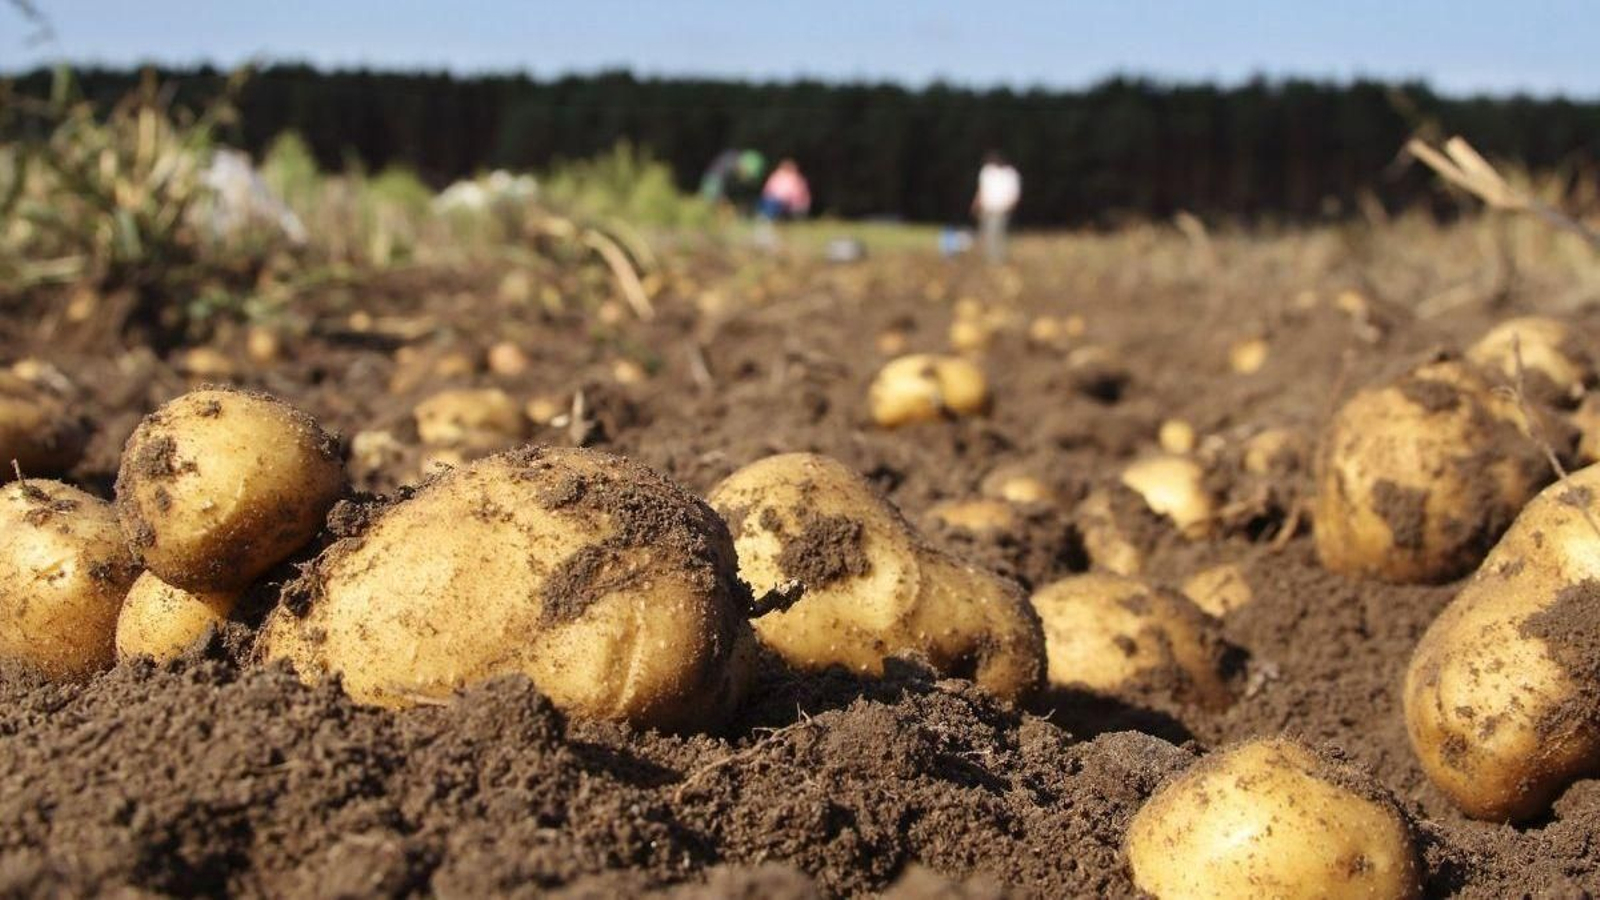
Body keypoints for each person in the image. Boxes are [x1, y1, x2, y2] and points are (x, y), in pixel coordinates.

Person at [972, 151, 1021, 263]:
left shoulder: (1010, 174)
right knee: (987, 232)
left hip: (1002, 209)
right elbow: (981, 190)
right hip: (987, 208)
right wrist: (976, 203)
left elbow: (1014, 193)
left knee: (996, 232)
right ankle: (991, 257)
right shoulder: (986, 172)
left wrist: (1011, 206)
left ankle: (998, 258)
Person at [699, 149, 766, 207]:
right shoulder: (725, 166)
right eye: (749, 177)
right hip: (712, 188)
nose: (747, 180)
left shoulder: (733, 165)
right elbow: (712, 191)